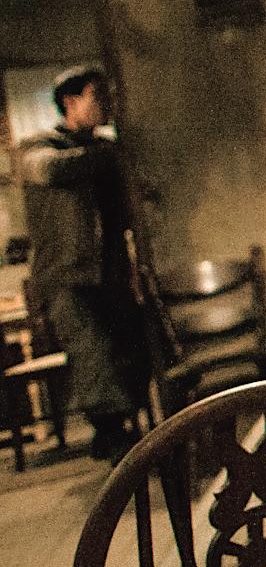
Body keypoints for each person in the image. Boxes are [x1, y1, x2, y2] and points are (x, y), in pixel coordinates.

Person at [14, 65, 149, 462]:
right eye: (97, 96)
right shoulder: (39, 146)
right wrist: (108, 154)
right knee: (93, 354)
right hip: (66, 276)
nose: (105, 104)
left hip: (109, 273)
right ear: (70, 102)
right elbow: (50, 169)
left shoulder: (103, 152)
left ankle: (124, 433)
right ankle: (113, 437)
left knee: (133, 346)